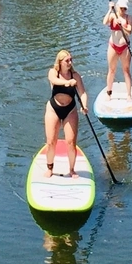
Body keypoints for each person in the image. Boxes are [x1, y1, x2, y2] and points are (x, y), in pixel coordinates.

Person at [44, 50, 89, 178]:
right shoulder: (53, 72)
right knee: (51, 141)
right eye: (67, 60)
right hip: (54, 109)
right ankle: (50, 168)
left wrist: (84, 106)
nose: (70, 63)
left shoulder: (75, 76)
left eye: (71, 60)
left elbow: (83, 93)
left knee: (71, 142)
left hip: (70, 110)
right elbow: (54, 80)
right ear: (60, 62)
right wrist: (67, 83)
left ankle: (72, 169)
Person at [103, 0, 132, 101]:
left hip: (124, 47)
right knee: (111, 70)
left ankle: (129, 95)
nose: (123, 10)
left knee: (126, 70)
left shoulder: (128, 18)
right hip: (113, 46)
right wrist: (109, 9)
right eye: (121, 8)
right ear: (117, 7)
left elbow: (129, 31)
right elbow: (104, 22)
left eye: (125, 8)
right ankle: (109, 93)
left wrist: (122, 26)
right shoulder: (112, 15)